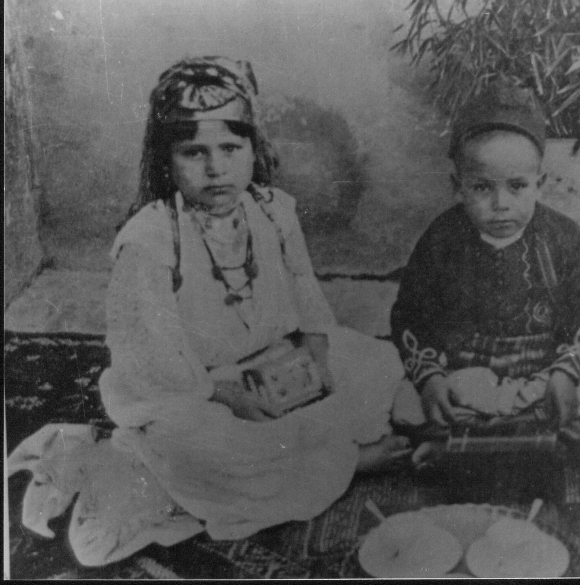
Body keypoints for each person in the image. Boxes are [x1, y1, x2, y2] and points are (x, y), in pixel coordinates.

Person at [9, 56, 412, 567]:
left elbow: (309, 304)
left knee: (372, 361)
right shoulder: (151, 240)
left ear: (253, 148)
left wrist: (317, 360)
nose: (216, 168)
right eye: (193, 152)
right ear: (166, 160)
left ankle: (325, 445)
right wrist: (225, 394)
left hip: (272, 361)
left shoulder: (272, 210)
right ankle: (350, 460)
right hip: (191, 387)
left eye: (230, 148)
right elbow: (147, 359)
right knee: (201, 448)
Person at [390, 80, 580, 444]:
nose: (501, 203)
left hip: (540, 372)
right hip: (467, 376)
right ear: (457, 185)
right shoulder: (442, 239)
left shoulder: (561, 237)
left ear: (540, 183)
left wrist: (564, 373)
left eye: (517, 186)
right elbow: (411, 313)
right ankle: (514, 431)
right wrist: (431, 378)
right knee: (405, 403)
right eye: (481, 188)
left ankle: (483, 434)